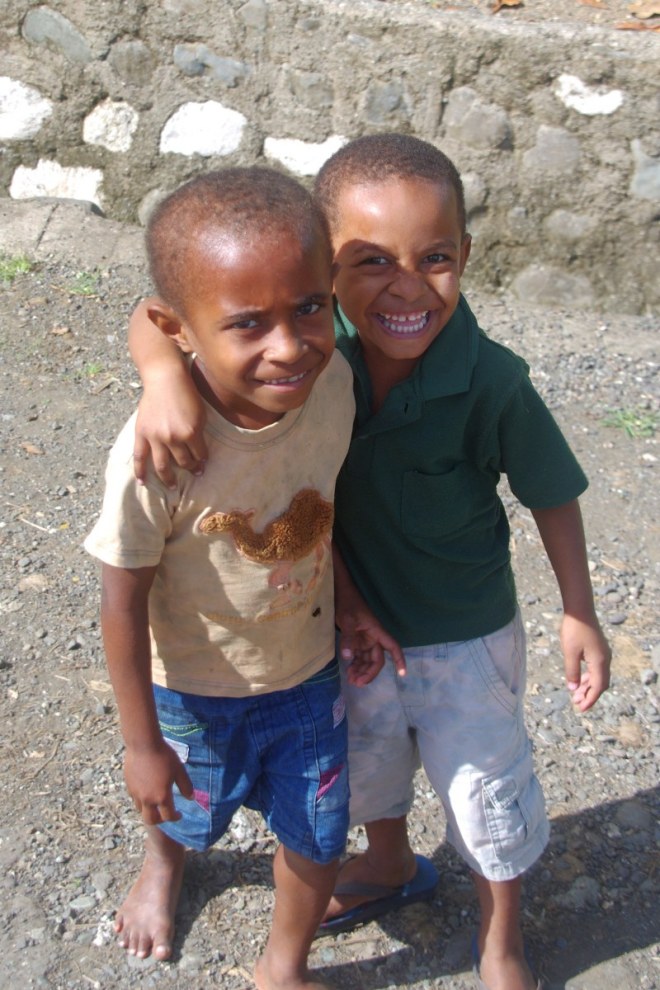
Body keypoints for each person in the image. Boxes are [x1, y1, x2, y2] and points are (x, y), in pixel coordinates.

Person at [127, 135, 612, 990]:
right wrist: (162, 374)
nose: (406, 287)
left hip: (465, 636)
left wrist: (579, 611)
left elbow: (551, 493)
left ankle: (502, 943)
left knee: (486, 791)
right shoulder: (314, 345)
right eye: (371, 261)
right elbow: (157, 309)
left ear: (466, 256)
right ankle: (389, 863)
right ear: (325, 265)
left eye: (435, 259)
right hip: (342, 634)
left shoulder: (491, 381)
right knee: (371, 768)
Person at [84, 165, 402, 990]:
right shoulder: (158, 455)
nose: (289, 346)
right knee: (181, 810)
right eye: (248, 324)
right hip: (192, 688)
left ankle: (282, 967)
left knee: (320, 830)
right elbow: (120, 603)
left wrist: (351, 604)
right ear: (178, 330)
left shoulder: (331, 386)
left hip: (307, 673)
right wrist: (141, 745)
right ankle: (164, 865)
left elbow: (314, 513)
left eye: (308, 308)